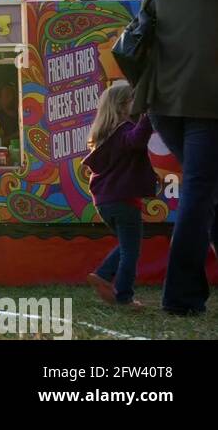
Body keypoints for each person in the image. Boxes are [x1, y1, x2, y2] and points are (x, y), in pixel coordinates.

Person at [135, 0, 218, 315]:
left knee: (212, 192)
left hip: (163, 106)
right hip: (210, 106)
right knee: (200, 195)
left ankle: (184, 293)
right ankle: (181, 298)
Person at [83, 84, 155, 308]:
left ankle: (103, 274)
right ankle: (124, 296)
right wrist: (150, 115)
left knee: (127, 245)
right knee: (131, 251)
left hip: (105, 203)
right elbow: (137, 140)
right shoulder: (124, 130)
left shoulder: (106, 136)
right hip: (123, 202)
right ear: (122, 106)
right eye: (134, 101)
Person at [0, 83, 20, 147]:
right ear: (0, 99)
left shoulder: (25, 117)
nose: (11, 98)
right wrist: (18, 134)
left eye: (13, 94)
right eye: (7, 95)